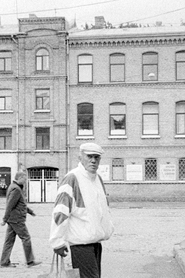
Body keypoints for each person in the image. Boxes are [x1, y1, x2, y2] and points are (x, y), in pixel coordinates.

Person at [50, 142, 114, 278]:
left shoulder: (98, 179)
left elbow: (103, 209)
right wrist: (57, 241)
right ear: (80, 158)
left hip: (95, 243)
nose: (93, 160)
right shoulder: (72, 178)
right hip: (81, 245)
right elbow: (60, 211)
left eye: (97, 157)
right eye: (89, 156)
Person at [0, 171, 41, 268]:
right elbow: (10, 205)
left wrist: (30, 212)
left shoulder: (13, 187)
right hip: (16, 219)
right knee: (26, 238)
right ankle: (30, 261)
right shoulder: (16, 189)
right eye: (24, 178)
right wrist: (4, 219)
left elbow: (19, 204)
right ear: (19, 178)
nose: (25, 180)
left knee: (9, 241)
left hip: (13, 219)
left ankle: (4, 262)